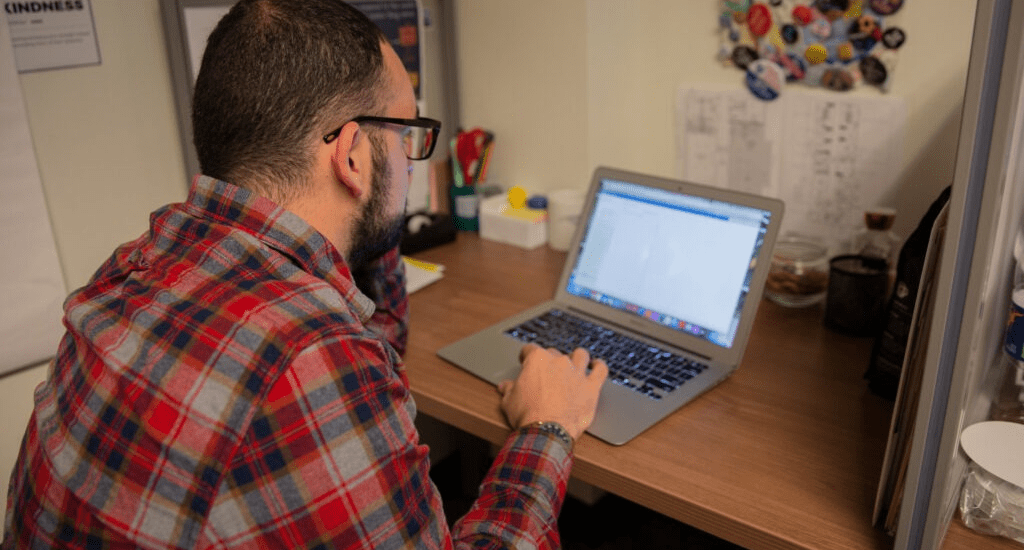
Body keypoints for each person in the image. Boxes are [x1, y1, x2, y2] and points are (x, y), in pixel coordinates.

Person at [1, 1, 608, 549]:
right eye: (406, 135)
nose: (411, 162)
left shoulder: (139, 264)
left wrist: (366, 219)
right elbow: (340, 363)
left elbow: (377, 351)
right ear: (350, 156)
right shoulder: (311, 358)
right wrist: (546, 427)